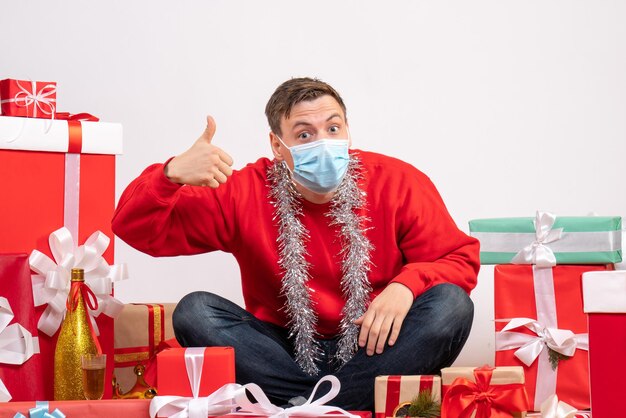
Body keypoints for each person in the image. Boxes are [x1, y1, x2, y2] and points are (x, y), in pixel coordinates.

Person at [112, 77, 480, 410]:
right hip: (280, 351)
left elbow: (458, 258)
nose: (323, 143)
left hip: (376, 345)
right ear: (277, 144)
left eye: (333, 128)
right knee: (194, 312)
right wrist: (170, 174)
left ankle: (301, 405)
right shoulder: (243, 191)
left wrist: (405, 286)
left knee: (451, 305)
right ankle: (335, 404)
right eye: (304, 134)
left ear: (348, 131)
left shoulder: (398, 181)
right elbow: (134, 227)